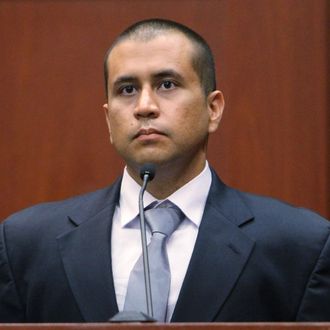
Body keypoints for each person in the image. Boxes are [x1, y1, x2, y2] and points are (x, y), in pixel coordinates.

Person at [0, 18, 329, 323]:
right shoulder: (24, 244)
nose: (144, 107)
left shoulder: (301, 246)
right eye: (127, 90)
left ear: (213, 109)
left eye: (167, 84)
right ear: (108, 120)